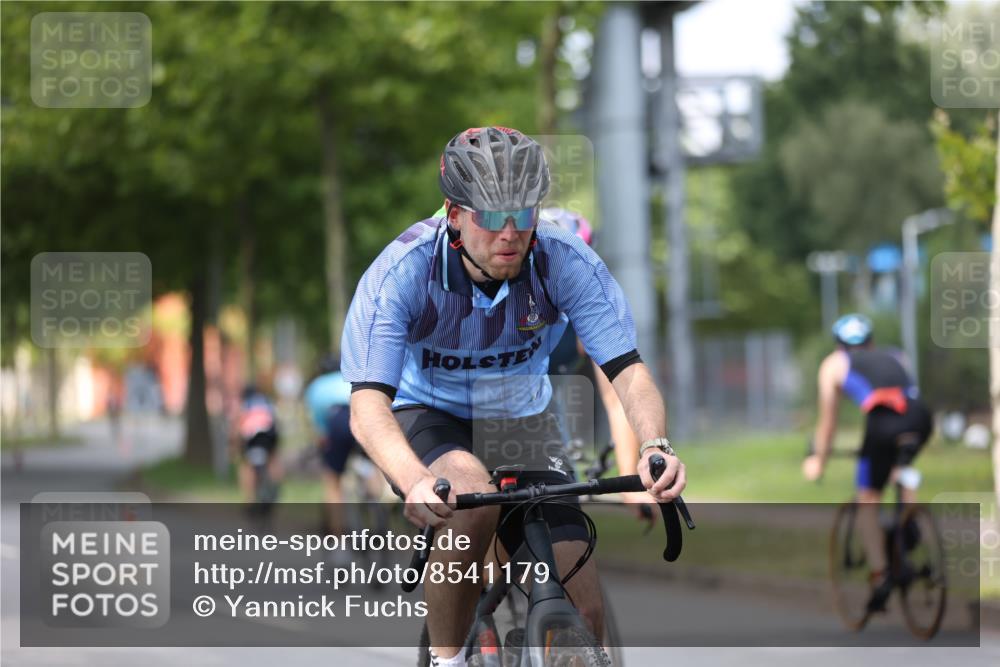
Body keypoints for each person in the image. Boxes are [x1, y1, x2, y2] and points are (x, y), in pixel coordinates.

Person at [343, 126, 686, 667]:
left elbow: (628, 373)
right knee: (470, 504)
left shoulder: (563, 259)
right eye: (490, 215)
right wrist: (412, 481)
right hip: (430, 411)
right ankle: (448, 659)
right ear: (454, 214)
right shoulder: (403, 272)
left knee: (584, 606)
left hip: (520, 415)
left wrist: (653, 445)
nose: (509, 232)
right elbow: (366, 408)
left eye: (523, 214)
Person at [802, 313, 933, 612]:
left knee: (868, 501)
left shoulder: (833, 365)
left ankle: (880, 574)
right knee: (902, 468)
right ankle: (911, 525)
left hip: (883, 423)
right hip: (920, 416)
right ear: (871, 342)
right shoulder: (896, 354)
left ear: (838, 345)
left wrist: (818, 461)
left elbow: (828, 424)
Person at [540, 207, 650, 515]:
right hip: (475, 400)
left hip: (542, 412)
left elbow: (618, 396)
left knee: (560, 504)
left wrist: (629, 483)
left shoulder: (586, 302)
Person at [303, 355, 379, 548]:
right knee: (369, 464)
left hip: (337, 421)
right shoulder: (354, 379)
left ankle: (338, 542)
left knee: (333, 481)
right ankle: (376, 507)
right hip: (362, 418)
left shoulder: (317, 386)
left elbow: (320, 428)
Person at [232, 385, 282, 503]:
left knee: (246, 465)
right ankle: (276, 485)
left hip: (252, 435)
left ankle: (250, 499)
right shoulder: (266, 401)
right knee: (273, 459)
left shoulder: (245, 404)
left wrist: (235, 446)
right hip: (270, 433)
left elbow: (238, 427)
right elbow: (275, 420)